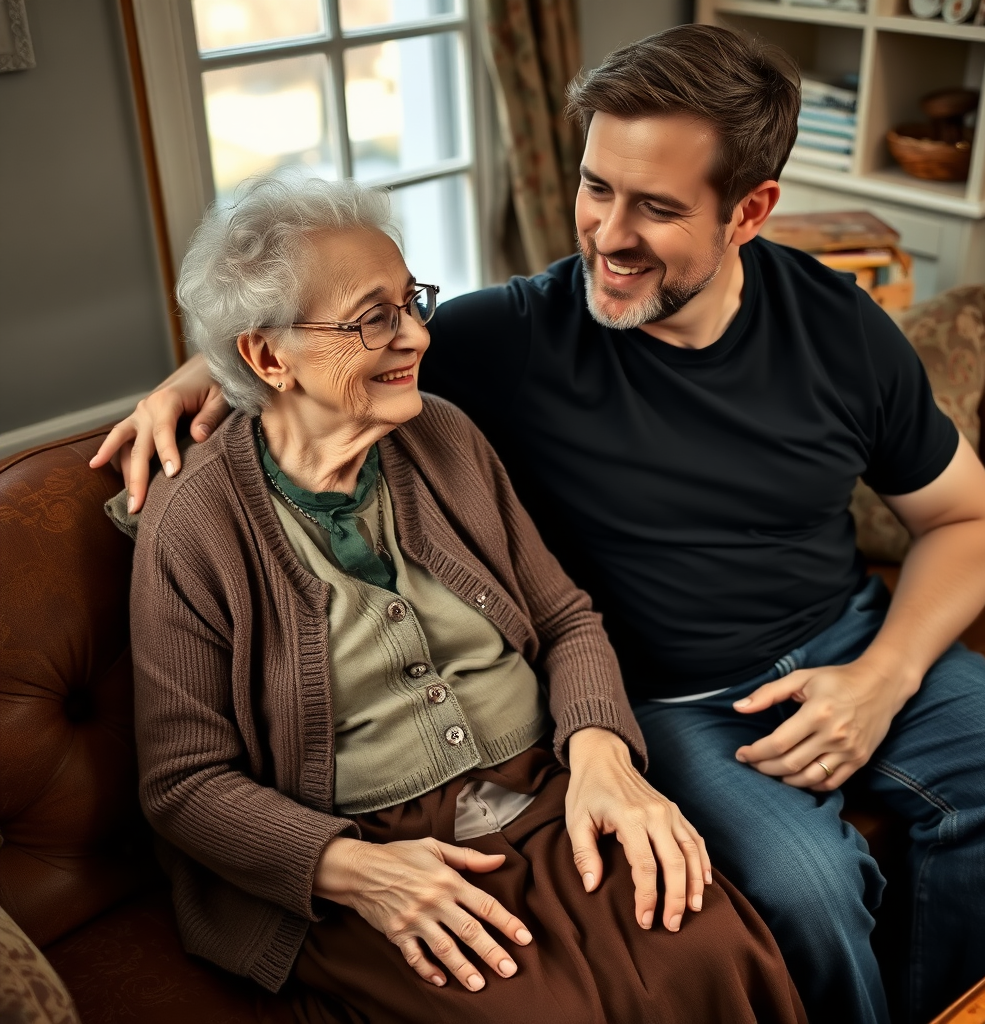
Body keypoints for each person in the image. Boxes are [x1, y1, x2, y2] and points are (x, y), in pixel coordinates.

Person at [96, 24, 985, 1024]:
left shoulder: (839, 328)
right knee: (805, 892)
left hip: (850, 637)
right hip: (678, 699)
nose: (606, 235)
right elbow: (318, 345)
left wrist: (880, 679)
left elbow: (970, 519)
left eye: (657, 207)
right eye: (595, 186)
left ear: (749, 210)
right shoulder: (515, 337)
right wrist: (199, 373)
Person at [125, 173, 807, 1024]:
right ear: (268, 358)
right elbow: (185, 784)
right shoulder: (195, 524)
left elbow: (564, 618)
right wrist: (354, 869)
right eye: (374, 317)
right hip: (374, 852)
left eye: (412, 301)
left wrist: (600, 754)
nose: (413, 334)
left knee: (711, 948)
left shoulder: (442, 434)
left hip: (549, 791)